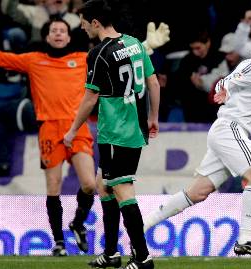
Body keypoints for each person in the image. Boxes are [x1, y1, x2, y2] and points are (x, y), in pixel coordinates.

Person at [0, 17, 96, 257]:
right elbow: (0, 58)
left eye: (62, 31)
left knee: (89, 184)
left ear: (68, 37)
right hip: (49, 128)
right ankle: (58, 242)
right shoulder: (34, 60)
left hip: (77, 128)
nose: (58, 34)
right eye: (53, 30)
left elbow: (112, 59)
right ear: (47, 37)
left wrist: (146, 47)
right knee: (53, 186)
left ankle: (78, 223)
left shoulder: (82, 60)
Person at [143, 25, 251, 259]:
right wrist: (223, 89)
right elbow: (230, 79)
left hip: (229, 133)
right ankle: (244, 240)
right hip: (230, 129)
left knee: (197, 193)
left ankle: (143, 224)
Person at [63, 0, 161, 268]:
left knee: (121, 187)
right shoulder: (134, 43)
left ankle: (143, 256)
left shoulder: (98, 53)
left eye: (84, 21)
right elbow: (152, 81)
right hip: (127, 128)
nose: (81, 26)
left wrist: (72, 130)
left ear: (96, 22)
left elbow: (90, 98)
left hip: (119, 131)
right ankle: (111, 253)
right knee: (102, 185)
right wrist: (153, 117)